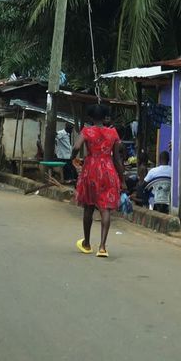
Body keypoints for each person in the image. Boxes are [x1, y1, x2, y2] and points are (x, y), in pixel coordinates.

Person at [70, 103, 122, 258]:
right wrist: (122, 179)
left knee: (89, 207)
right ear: (105, 117)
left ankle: (86, 243)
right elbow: (117, 159)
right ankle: (102, 247)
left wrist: (72, 157)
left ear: (91, 117)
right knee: (105, 209)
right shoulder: (113, 133)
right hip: (108, 170)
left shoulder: (87, 131)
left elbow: (76, 147)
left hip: (91, 170)